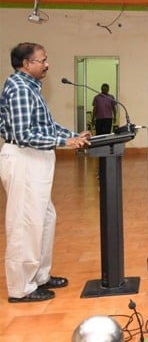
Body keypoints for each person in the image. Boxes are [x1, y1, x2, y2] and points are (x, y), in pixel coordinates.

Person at [0, 42, 91, 302]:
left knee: (44, 219)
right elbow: (23, 134)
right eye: (42, 60)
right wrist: (65, 142)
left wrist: (74, 136)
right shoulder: (19, 89)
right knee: (25, 224)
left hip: (34, 160)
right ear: (26, 64)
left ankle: (39, 276)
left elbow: (45, 126)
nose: (47, 64)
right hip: (24, 159)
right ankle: (20, 288)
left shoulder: (30, 87)